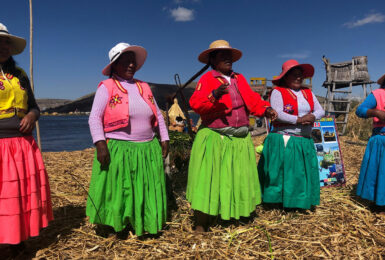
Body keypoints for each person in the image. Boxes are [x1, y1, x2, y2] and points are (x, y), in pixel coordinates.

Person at [187, 40, 278, 232]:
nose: (228, 58)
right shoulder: (207, 79)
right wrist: (214, 95)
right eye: (221, 55)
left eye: (229, 55)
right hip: (216, 136)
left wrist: (266, 109)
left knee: (235, 178)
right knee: (209, 179)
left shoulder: (239, 78)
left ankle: (232, 215)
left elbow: (253, 100)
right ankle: (201, 222)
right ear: (212, 60)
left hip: (239, 137)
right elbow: (196, 103)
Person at [87, 42, 169, 237]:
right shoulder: (107, 87)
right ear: (114, 64)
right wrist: (100, 144)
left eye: (133, 61)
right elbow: (94, 117)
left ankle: (142, 221)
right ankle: (115, 224)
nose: (131, 65)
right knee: (119, 188)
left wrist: (164, 138)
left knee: (144, 187)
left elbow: (157, 114)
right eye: (125, 61)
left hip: (147, 147)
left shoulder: (144, 87)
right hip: (118, 147)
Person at [0, 23, 53, 251]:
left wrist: (32, 115)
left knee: (17, 194)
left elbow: (34, 106)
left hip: (22, 145)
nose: (2, 46)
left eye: (6, 42)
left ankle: (16, 238)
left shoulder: (20, 75)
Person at [258, 59, 325, 210]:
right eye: (294, 74)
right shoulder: (277, 91)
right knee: (281, 172)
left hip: (304, 140)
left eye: (300, 75)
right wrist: (299, 119)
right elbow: (277, 113)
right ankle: (277, 201)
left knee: (299, 174)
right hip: (285, 138)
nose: (298, 77)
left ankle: (298, 201)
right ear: (285, 76)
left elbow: (320, 110)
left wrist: (313, 117)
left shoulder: (307, 92)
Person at [355, 73, 385, 210]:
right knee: (380, 171)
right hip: (381, 139)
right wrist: (376, 113)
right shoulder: (378, 94)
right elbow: (360, 110)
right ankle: (379, 201)